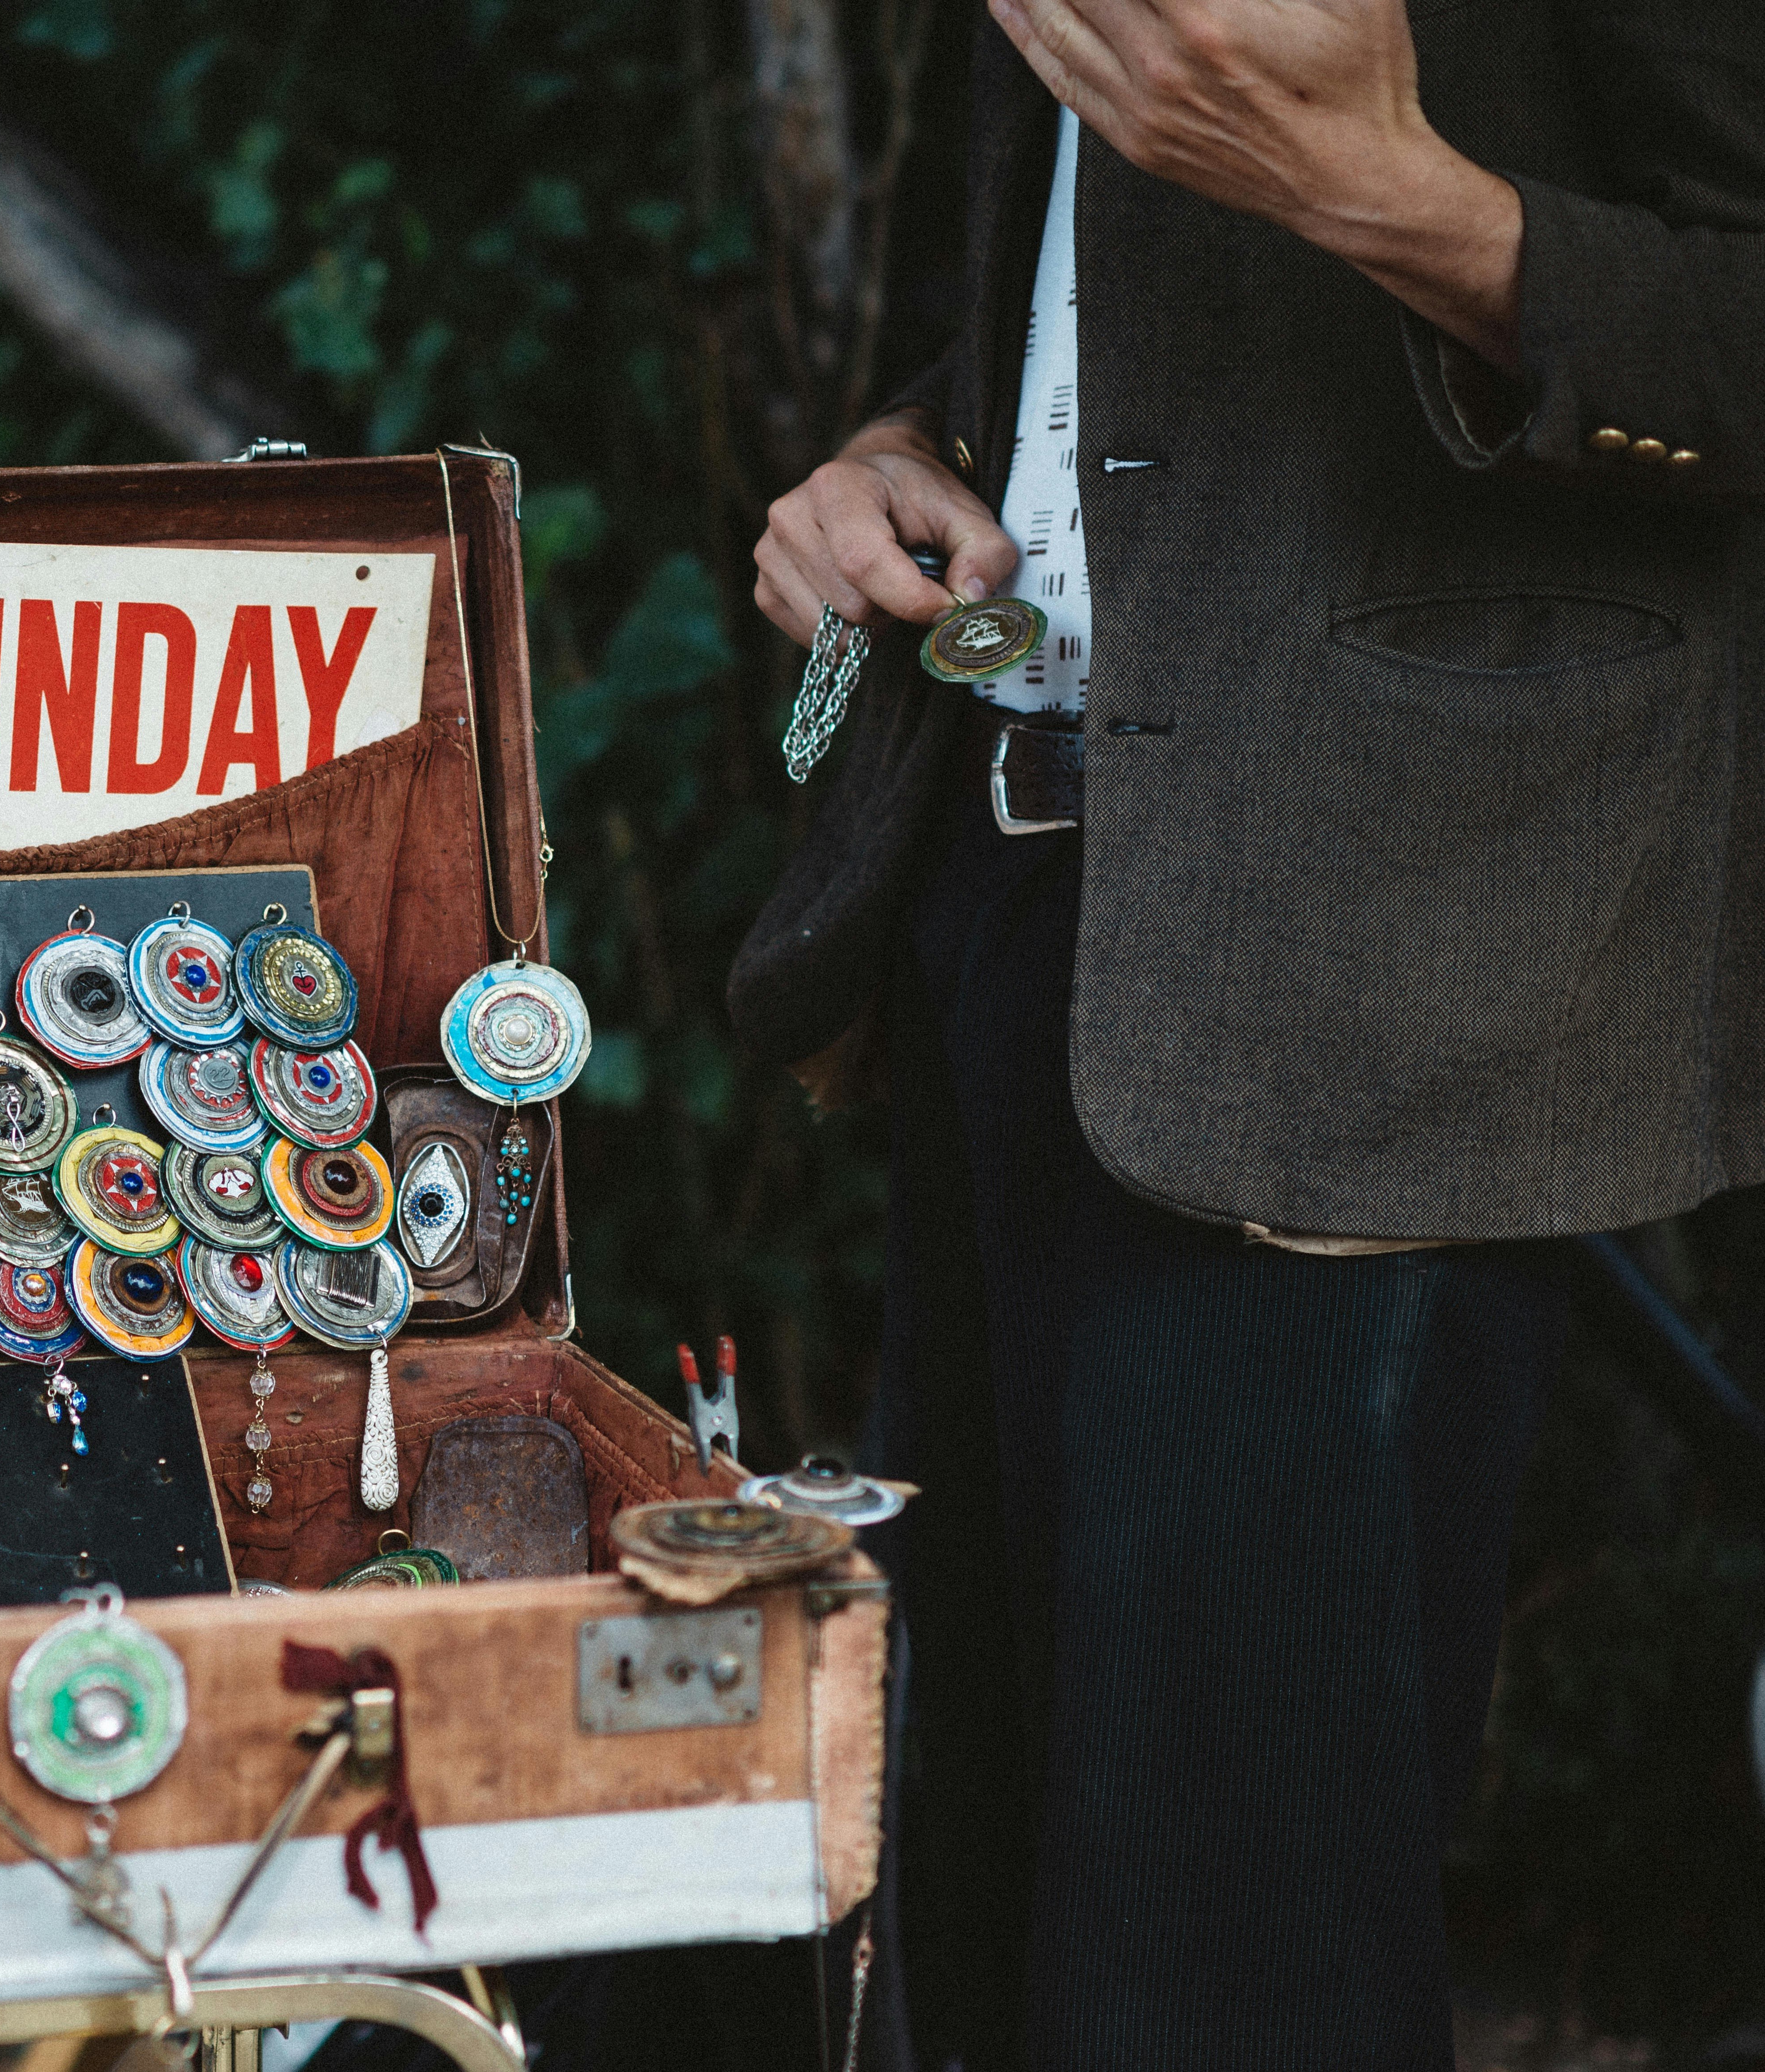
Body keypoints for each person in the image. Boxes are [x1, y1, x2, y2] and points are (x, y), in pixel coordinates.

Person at [731, 2, 1765, 2067]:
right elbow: (1077, 337)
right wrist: (888, 457)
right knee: (989, 1901)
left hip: (1376, 948)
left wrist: (1381, 192)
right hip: (1010, 898)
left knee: (1218, 1976)